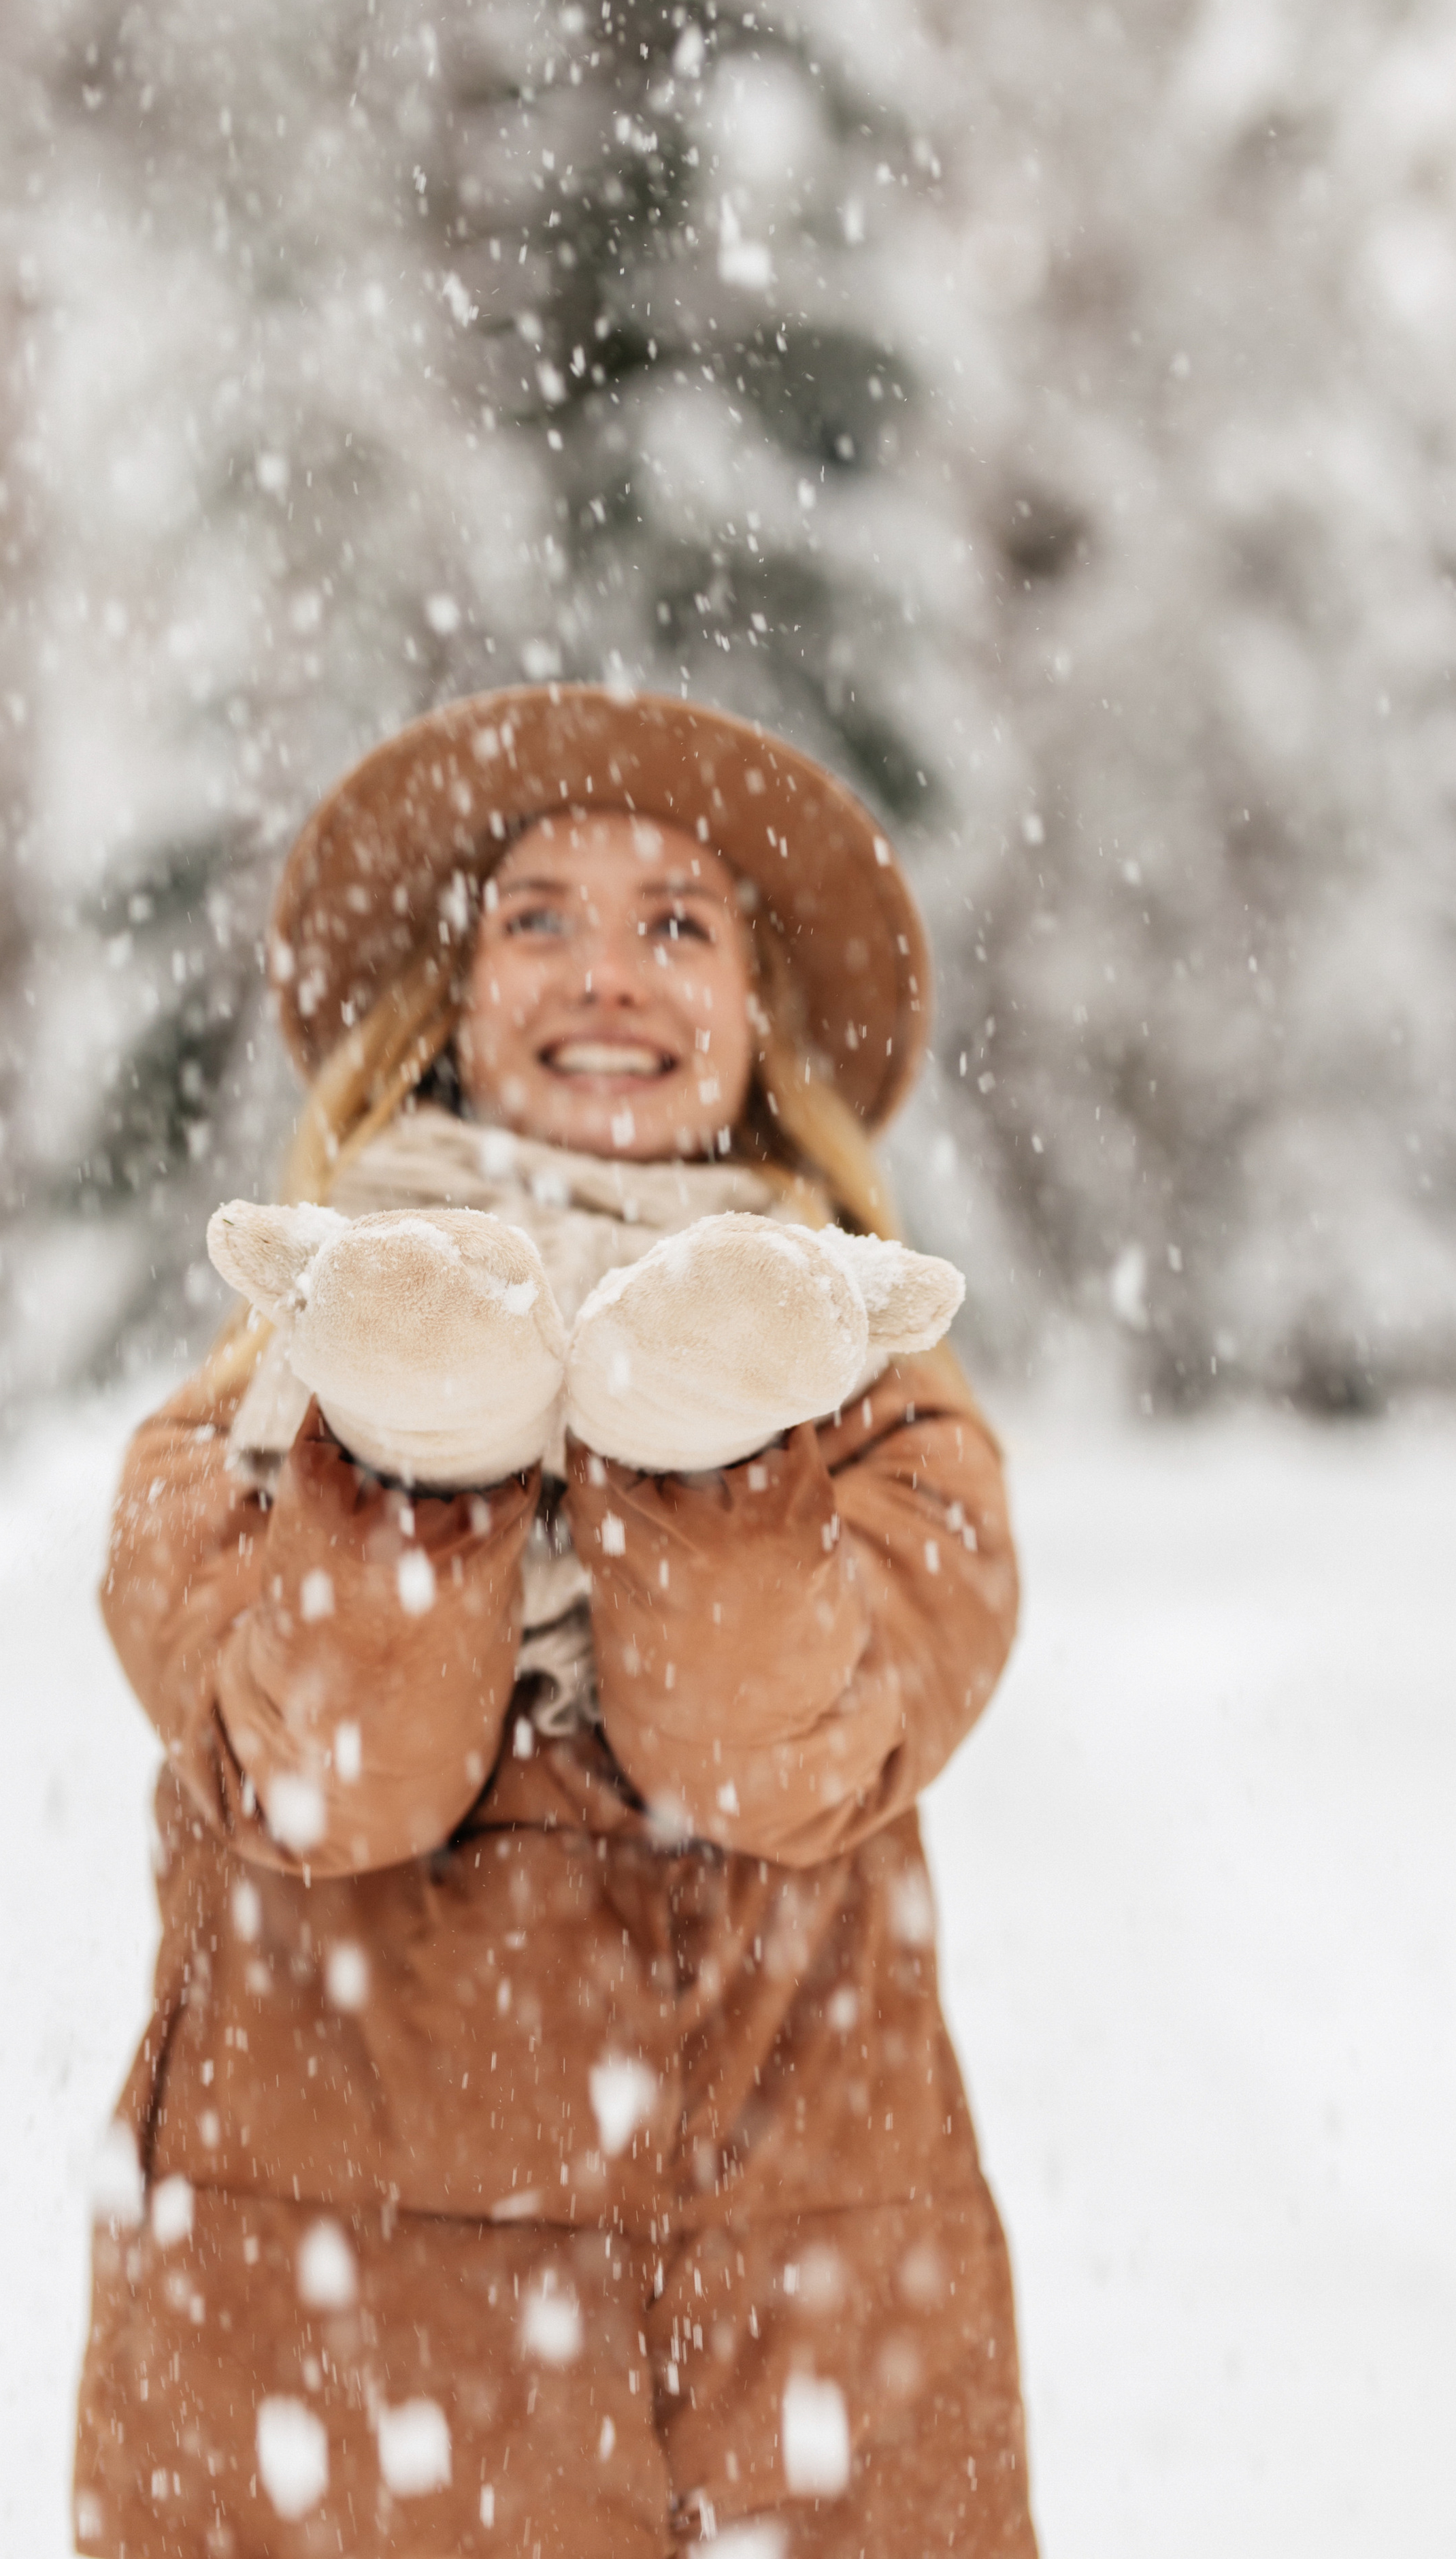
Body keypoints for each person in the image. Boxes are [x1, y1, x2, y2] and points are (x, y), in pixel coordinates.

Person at [73, 685, 1036, 2559]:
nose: (612, 973)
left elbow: (776, 1762)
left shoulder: (894, 1419)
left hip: (785, 2386)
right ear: (450, 1002)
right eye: (539, 917)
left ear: (756, 1022)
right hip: (333, 2394)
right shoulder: (239, 1426)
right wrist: (413, 1439)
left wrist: (704, 1438)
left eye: (681, 921)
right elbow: (335, 1788)